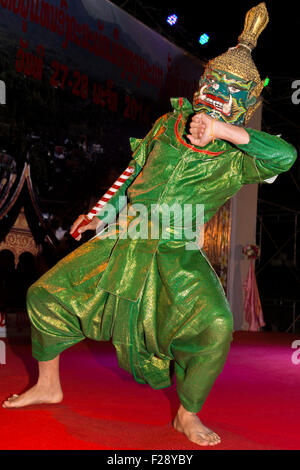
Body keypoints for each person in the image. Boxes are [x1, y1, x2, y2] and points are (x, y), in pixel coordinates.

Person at [2, 3, 297, 447]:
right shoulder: (167, 125)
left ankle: (187, 414)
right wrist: (99, 213)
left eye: (232, 90)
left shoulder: (242, 158)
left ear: (247, 103)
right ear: (201, 84)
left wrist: (225, 132)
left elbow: (287, 157)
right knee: (45, 294)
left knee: (215, 325)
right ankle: (48, 385)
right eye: (214, 82)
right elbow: (132, 177)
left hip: (177, 255)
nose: (218, 92)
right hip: (126, 235)